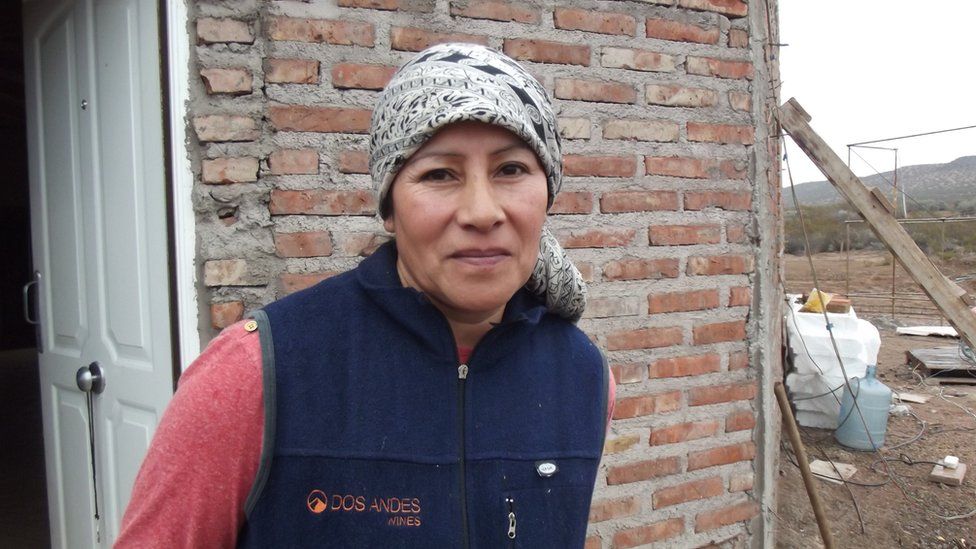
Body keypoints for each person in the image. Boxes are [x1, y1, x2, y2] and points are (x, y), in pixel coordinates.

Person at [117, 43, 614, 548]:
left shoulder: (583, 378)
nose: (482, 212)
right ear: (389, 209)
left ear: (546, 193)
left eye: (511, 170)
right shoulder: (256, 373)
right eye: (440, 173)